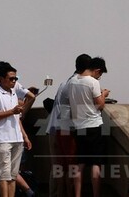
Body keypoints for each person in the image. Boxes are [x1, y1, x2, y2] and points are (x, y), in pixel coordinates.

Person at [47, 53, 91, 197]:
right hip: (65, 130)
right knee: (68, 168)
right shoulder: (76, 84)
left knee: (59, 168)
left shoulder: (65, 83)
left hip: (56, 128)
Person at [67, 56, 109, 197]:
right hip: (93, 125)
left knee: (80, 163)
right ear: (96, 70)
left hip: (78, 126)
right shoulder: (92, 82)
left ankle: (77, 194)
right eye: (100, 73)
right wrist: (103, 94)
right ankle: (96, 194)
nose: (100, 76)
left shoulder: (72, 81)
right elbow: (100, 105)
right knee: (95, 163)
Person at [0, 62, 32, 197]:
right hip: (3, 139)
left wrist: (25, 136)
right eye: (11, 78)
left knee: (13, 175)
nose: (14, 81)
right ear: (1, 78)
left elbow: (17, 119)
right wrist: (11, 111)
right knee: (4, 175)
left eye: (15, 78)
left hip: (17, 138)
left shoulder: (13, 94)